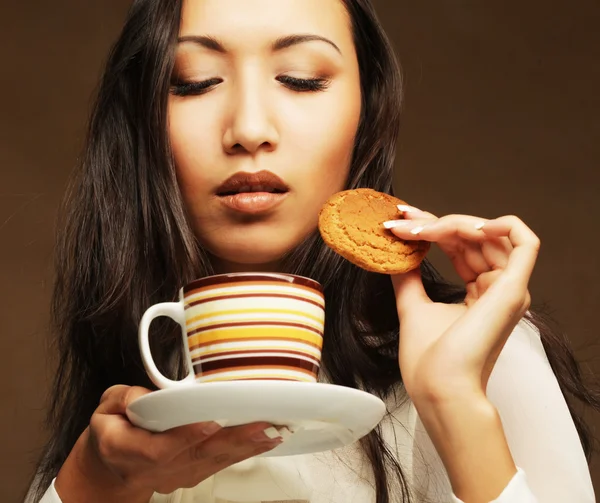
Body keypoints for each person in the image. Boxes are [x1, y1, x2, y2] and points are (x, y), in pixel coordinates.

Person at [25, 0, 599, 502]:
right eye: (193, 80)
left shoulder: (482, 355)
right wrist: (92, 483)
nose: (249, 129)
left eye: (300, 78)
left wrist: (455, 404)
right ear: (142, 121)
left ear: (366, 109)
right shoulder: (126, 413)